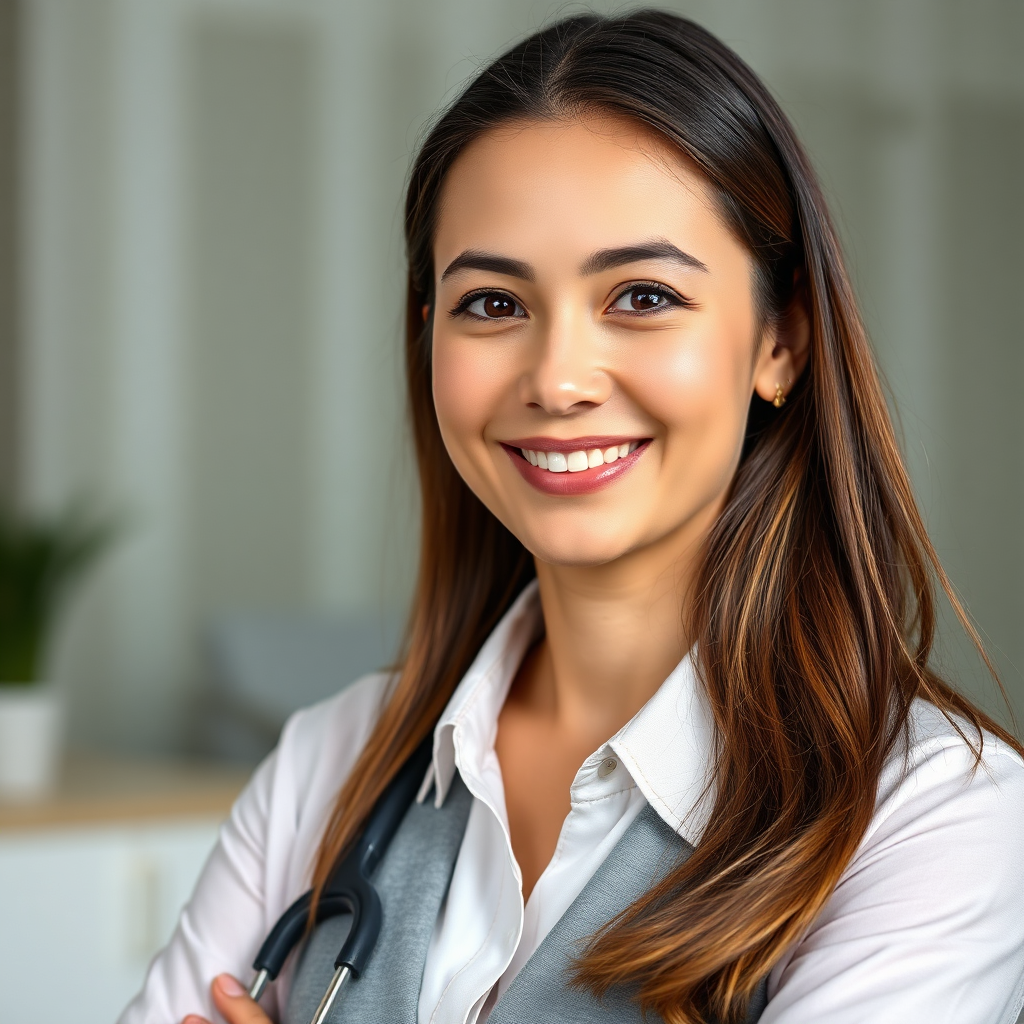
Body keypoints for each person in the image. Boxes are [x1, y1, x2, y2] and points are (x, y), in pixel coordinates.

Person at [120, 11, 1024, 1024]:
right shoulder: (327, 762)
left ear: (781, 341)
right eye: (493, 304)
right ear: (428, 336)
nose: (556, 380)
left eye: (641, 296)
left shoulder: (933, 814)